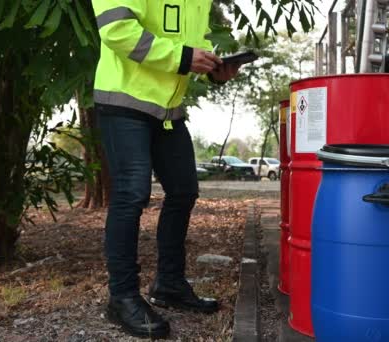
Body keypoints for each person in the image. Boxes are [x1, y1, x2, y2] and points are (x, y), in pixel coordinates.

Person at [91, 0, 240, 338]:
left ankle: (170, 284)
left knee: (184, 190)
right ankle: (122, 297)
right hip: (123, 99)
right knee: (131, 194)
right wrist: (185, 58)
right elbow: (116, 30)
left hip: (167, 109)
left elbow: (183, 51)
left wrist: (214, 70)